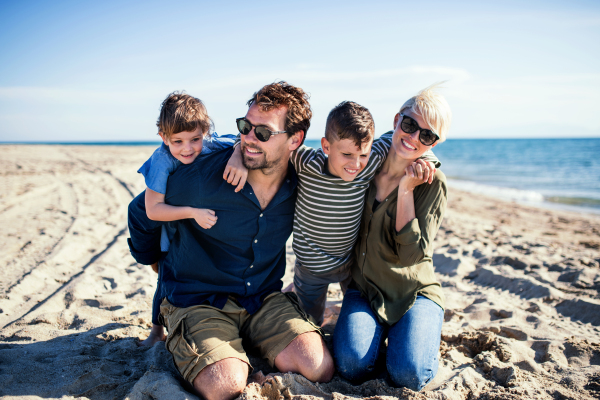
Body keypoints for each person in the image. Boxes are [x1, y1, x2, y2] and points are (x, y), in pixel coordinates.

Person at [128, 82, 334, 400]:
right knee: (224, 386)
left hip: (262, 298)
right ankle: (223, 351)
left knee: (319, 368)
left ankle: (243, 344)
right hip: (197, 299)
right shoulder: (202, 177)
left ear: (295, 139)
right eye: (245, 127)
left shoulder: (302, 182)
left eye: (262, 133)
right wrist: (154, 261)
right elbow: (140, 212)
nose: (248, 138)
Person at [224, 101, 439, 325]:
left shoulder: (372, 158)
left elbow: (409, 142)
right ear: (326, 146)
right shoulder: (306, 162)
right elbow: (262, 144)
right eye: (346, 154)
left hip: (350, 265)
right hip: (310, 269)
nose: (355, 164)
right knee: (311, 322)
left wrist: (427, 161)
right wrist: (237, 156)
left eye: (362, 155)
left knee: (362, 318)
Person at [333, 84, 451, 391]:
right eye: (410, 125)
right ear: (397, 119)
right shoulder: (365, 160)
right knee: (351, 366)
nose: (413, 138)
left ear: (435, 142)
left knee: (408, 375)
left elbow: (412, 256)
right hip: (365, 289)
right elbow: (321, 164)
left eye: (427, 135)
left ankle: (413, 334)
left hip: (413, 293)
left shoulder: (432, 182)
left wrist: (406, 190)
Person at [134, 91, 238, 347]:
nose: (188, 148)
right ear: (163, 137)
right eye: (177, 141)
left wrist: (238, 158)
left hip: (199, 230)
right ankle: (156, 331)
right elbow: (153, 210)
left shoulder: (211, 143)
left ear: (205, 131)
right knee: (166, 274)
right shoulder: (162, 159)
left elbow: (240, 142)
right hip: (170, 226)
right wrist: (192, 212)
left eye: (195, 139)